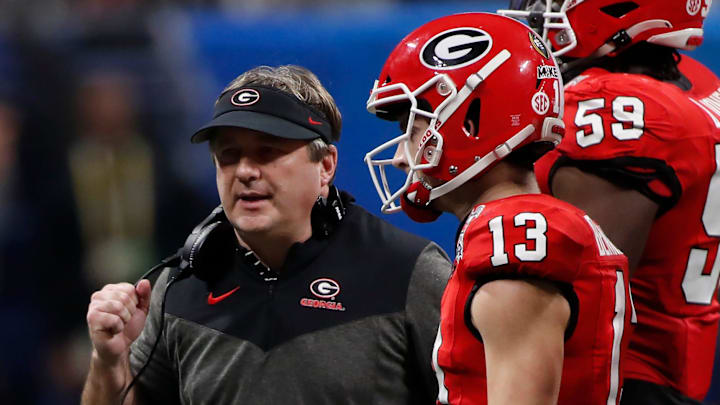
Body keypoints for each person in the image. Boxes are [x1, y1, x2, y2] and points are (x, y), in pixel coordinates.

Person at [81, 64, 452, 404]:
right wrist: (108, 359)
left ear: (325, 166)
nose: (244, 171)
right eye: (229, 155)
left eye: (267, 152)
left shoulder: (407, 271)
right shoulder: (181, 284)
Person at [364, 12, 633, 405]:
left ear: (471, 117)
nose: (404, 156)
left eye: (413, 123)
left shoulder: (512, 237)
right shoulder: (527, 224)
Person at [499, 1, 720, 403]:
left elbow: (587, 298)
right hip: (666, 371)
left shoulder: (615, 110)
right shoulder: (693, 82)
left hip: (617, 381)